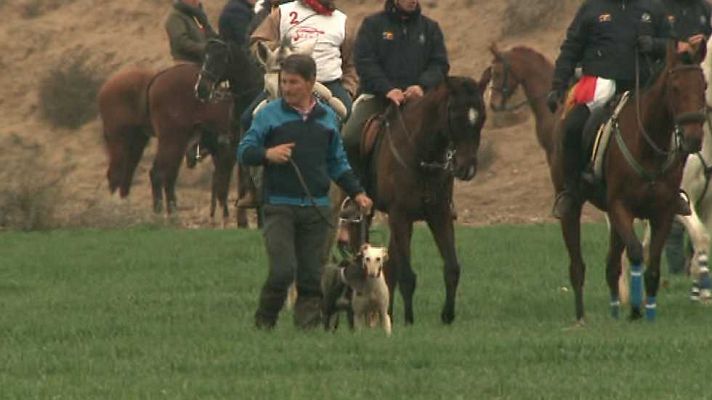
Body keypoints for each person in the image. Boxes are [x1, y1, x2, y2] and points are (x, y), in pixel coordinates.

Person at [237, 54, 373, 330]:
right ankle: (264, 323)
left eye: (293, 83)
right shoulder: (267, 115)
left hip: (316, 209)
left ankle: (307, 332)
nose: (286, 88)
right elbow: (244, 151)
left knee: (312, 277)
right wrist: (267, 153)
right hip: (279, 206)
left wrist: (357, 193)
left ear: (311, 83)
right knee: (282, 271)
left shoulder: (326, 119)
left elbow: (337, 163)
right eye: (284, 82)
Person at [546, 0, 673, 218]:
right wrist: (558, 84)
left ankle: (674, 189)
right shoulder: (591, 8)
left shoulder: (654, 7)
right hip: (600, 85)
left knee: (679, 126)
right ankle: (571, 191)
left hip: (643, 87)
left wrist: (654, 45)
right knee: (572, 127)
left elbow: (672, 44)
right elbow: (571, 48)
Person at [340, 0, 449, 175]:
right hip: (377, 97)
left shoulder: (430, 28)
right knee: (349, 138)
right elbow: (365, 62)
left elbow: (440, 64)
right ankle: (355, 193)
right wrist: (387, 89)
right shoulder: (372, 25)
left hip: (419, 99)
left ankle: (443, 198)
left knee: (448, 134)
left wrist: (421, 86)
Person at [661, 0, 711, 275]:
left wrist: (701, 44)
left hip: (697, 84)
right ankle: (676, 263)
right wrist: (677, 47)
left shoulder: (705, 10)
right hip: (670, 85)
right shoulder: (658, 9)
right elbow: (646, 42)